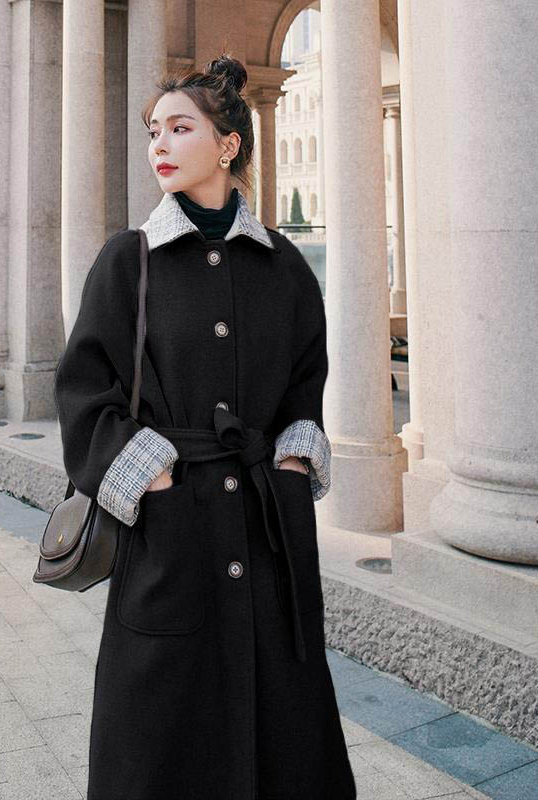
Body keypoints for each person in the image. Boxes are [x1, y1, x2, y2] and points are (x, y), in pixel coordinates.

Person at [54, 53, 356, 800]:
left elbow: (305, 386)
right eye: (153, 130)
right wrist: (151, 476)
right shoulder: (129, 261)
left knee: (284, 731)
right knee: (160, 737)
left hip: (266, 534)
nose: (159, 144)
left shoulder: (284, 266)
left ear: (228, 145)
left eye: (180, 128)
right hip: (170, 539)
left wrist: (293, 465)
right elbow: (86, 393)